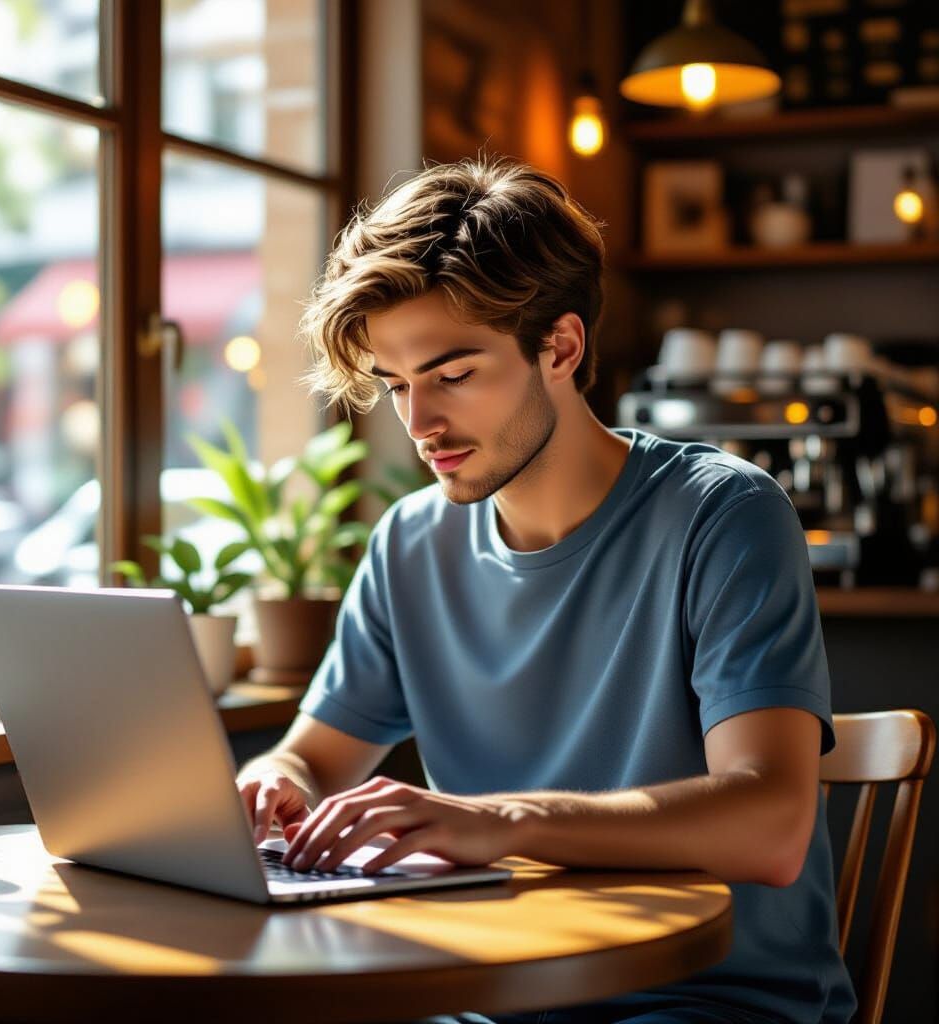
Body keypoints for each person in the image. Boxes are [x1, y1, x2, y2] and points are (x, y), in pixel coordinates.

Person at [235, 156, 857, 1024]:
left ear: (559, 347)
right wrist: (271, 782)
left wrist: (503, 822)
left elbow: (772, 823)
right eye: (396, 385)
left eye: (452, 375)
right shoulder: (408, 545)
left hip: (704, 1001)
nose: (420, 425)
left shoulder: (724, 514)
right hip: (492, 992)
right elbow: (311, 756)